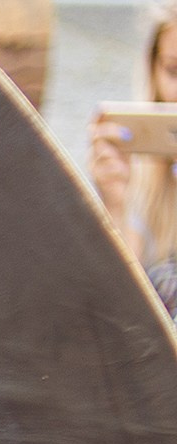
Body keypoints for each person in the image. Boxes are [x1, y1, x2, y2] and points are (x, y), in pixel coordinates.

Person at [90, 5, 177, 313]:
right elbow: (120, 308)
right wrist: (114, 203)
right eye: (174, 71)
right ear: (153, 71)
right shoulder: (137, 182)